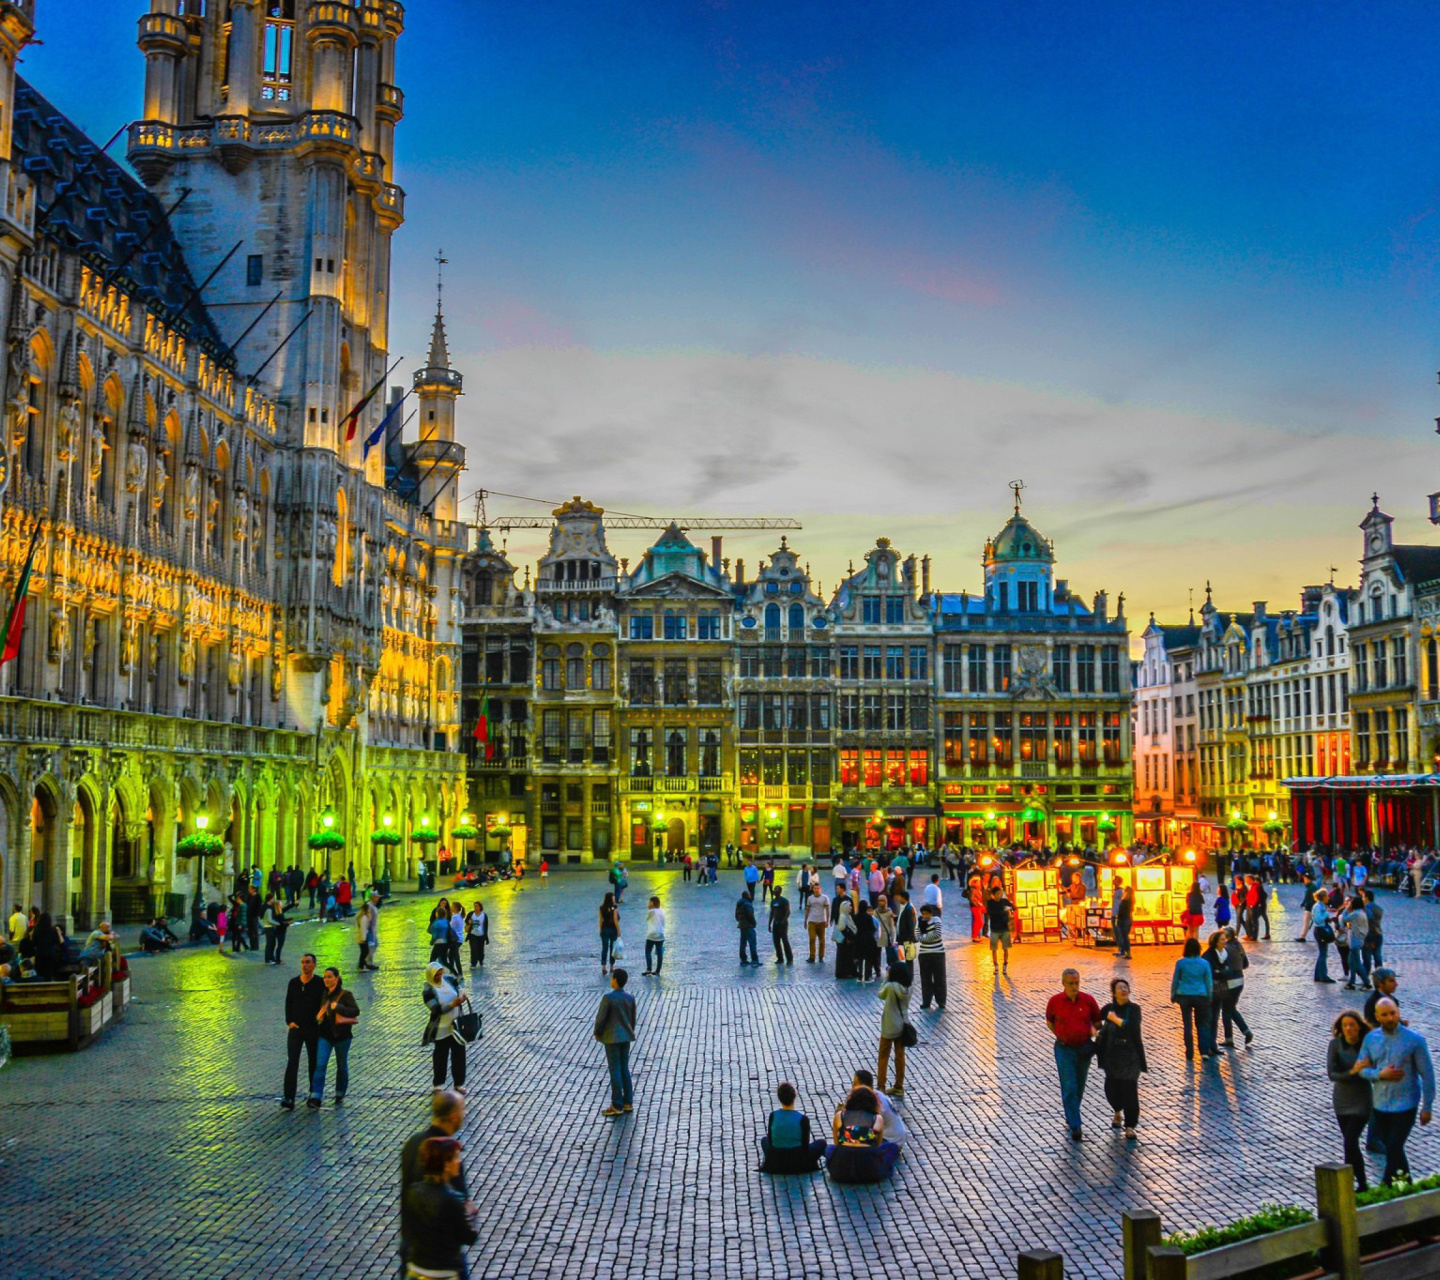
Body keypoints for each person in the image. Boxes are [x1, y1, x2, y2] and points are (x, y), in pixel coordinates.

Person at [1355, 998, 1436, 1185]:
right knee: (1394, 1149)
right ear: (1377, 1017)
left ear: (1398, 1012)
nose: (1390, 1018)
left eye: (1393, 1013)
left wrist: (1427, 1106)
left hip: (1406, 1104)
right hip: (1381, 1104)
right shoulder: (1371, 1039)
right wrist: (1379, 1074)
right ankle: (1406, 1186)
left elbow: (1428, 1075)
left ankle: (1385, 1185)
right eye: (1385, 1015)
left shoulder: (1414, 1040)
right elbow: (1360, 1069)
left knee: (1394, 1145)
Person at [399, 1091, 470, 1277]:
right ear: (453, 1115)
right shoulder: (449, 1155)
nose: (464, 1114)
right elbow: (461, 1211)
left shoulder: (412, 1143)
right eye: (463, 1109)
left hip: (411, 1246)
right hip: (442, 1257)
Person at [402, 1137, 478, 1280]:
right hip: (444, 1273)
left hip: (415, 1270)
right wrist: (471, 1216)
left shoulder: (413, 1192)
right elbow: (469, 1237)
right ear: (445, 1165)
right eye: (455, 1157)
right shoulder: (452, 1200)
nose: (459, 1161)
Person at [1046, 968, 1101, 1141]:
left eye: (1076, 983)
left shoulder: (1088, 1000)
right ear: (1063, 983)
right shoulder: (1055, 1001)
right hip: (1064, 1048)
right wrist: (1063, 1034)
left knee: (1079, 1084)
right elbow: (1050, 1022)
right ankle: (1076, 1125)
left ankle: (1071, 1116)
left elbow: (1097, 1021)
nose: (1074, 986)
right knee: (1069, 1084)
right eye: (1070, 983)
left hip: (1084, 1048)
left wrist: (1092, 1030)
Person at [1097, 978, 1147, 1139]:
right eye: (1120, 988)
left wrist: (1115, 1019)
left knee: (1130, 1090)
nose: (1124, 990)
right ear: (1114, 992)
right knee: (1111, 1088)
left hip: (1131, 1056)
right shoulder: (1108, 1009)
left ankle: (1130, 1126)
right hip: (1112, 1056)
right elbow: (1094, 1022)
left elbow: (1132, 1026)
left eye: (1126, 987)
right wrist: (1094, 1034)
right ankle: (1117, 1110)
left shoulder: (1134, 1009)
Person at [1328, 1010, 1373, 1192]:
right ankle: (1354, 1184)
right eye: (1345, 1025)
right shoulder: (1335, 1045)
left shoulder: (1367, 1046)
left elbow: (1374, 1069)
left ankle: (1361, 1183)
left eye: (1352, 1025)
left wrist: (1368, 1069)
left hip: (1362, 1100)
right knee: (1349, 1143)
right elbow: (1333, 1074)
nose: (1348, 1029)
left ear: (1359, 1027)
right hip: (1342, 1100)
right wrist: (1353, 1072)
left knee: (1350, 1140)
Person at [826, 1083, 901, 1184]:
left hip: (841, 1169)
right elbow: (877, 1146)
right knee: (892, 1147)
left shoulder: (840, 1116)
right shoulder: (877, 1119)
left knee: (829, 1148)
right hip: (869, 1168)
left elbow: (837, 1143)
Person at [307, 966, 359, 1108]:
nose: (326, 980)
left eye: (329, 977)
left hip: (342, 1036)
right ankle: (316, 1096)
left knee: (341, 1066)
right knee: (321, 1064)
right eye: (325, 977)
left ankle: (340, 1093)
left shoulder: (346, 994)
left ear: (336, 978)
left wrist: (339, 1007)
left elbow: (355, 1010)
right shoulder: (324, 994)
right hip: (325, 1035)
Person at [282, 953, 326, 1110]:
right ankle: (289, 1097)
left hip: (313, 1029)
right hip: (296, 1029)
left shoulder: (320, 983)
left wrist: (320, 1020)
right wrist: (290, 1022)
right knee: (292, 1061)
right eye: (302, 962)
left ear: (314, 965)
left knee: (313, 1062)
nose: (304, 965)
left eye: (308, 962)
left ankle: (313, 1095)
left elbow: (325, 1003)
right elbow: (289, 1002)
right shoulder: (294, 983)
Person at [593, 967, 637, 1117]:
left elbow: (601, 1019)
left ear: (615, 981)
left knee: (615, 1070)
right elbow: (632, 1019)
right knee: (624, 1068)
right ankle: (628, 1102)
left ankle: (617, 1104)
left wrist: (597, 1033)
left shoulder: (608, 998)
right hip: (626, 1037)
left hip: (612, 1038)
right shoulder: (630, 997)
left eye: (612, 978)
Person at [758, 1081, 827, 1174]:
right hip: (798, 1159)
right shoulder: (803, 1119)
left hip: (776, 1157)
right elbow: (805, 1145)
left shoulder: (773, 1115)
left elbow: (771, 1141)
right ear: (794, 1096)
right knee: (822, 1143)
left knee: (764, 1140)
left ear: (779, 1098)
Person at [422, 961, 471, 1090]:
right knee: (440, 1056)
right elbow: (436, 1009)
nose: (439, 977)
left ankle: (459, 1083)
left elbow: (459, 982)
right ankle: (438, 1084)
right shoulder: (428, 991)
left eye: (440, 974)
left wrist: (462, 994)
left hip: (456, 1024)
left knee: (459, 1055)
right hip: (441, 1027)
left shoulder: (448, 980)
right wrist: (453, 1004)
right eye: (436, 975)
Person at [1170, 937, 1215, 1060]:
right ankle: (1204, 1051)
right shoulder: (1205, 963)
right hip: (1201, 995)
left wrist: (1173, 994)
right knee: (1202, 1024)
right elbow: (1208, 982)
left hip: (1184, 995)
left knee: (1187, 1025)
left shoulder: (1181, 963)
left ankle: (1189, 1052)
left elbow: (1175, 980)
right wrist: (1209, 996)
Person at [876, 963, 912, 1099]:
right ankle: (899, 1086)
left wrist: (886, 979)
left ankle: (881, 1085)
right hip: (903, 1024)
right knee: (900, 1056)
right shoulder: (908, 988)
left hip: (889, 1025)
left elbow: (880, 994)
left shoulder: (890, 987)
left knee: (884, 1055)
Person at [1218, 927, 1253, 1047]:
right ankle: (1245, 1031)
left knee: (1227, 1010)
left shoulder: (1225, 949)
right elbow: (1245, 964)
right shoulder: (1238, 946)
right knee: (1230, 1008)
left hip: (1230, 981)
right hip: (1240, 980)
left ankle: (1230, 1038)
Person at [917, 904, 946, 1011]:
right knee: (925, 979)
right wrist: (927, 937)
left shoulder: (936, 920)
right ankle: (926, 1001)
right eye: (923, 914)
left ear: (931, 913)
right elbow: (917, 937)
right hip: (924, 954)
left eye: (926, 913)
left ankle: (941, 1001)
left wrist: (924, 937)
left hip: (938, 953)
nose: (925, 916)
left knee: (940, 978)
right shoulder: (920, 921)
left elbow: (937, 934)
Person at [1342, 894, 1373, 991]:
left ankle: (1367, 983)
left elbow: (1344, 918)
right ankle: (1351, 982)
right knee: (1351, 962)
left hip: (1355, 941)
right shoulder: (1362, 913)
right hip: (1358, 940)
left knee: (1357, 963)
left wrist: (1346, 908)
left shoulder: (1356, 914)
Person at [986, 884, 1014, 974]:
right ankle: (996, 965)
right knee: (994, 949)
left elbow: (1014, 907)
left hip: (1005, 928)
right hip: (995, 929)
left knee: (1006, 948)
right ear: (994, 895)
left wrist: (1009, 908)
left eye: (1000, 893)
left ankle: (1005, 965)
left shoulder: (1004, 901)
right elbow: (991, 913)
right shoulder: (990, 903)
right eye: (998, 893)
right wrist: (1003, 910)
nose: (999, 895)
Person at [1313, 893, 1337, 983]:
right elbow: (1318, 920)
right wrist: (1326, 914)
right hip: (1320, 931)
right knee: (1323, 953)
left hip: (1321, 930)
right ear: (1323, 897)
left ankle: (1319, 975)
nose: (1328, 898)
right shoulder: (1317, 907)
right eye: (1327, 896)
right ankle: (1323, 975)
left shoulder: (1321, 906)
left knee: (1322, 953)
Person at [854, 900, 880, 982]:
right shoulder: (868, 917)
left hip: (858, 939)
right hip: (868, 940)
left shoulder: (856, 916)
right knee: (868, 958)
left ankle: (860, 976)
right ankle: (867, 976)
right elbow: (873, 928)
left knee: (860, 958)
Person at [834, 896, 858, 979]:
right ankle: (843, 972)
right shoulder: (843, 916)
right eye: (849, 906)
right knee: (844, 957)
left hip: (847, 941)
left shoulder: (847, 916)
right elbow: (842, 928)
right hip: (845, 941)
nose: (851, 907)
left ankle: (848, 971)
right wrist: (849, 936)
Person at [768, 886, 793, 966]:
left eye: (776, 890)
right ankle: (780, 958)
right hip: (776, 923)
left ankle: (789, 959)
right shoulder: (773, 901)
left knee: (785, 941)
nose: (774, 892)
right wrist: (769, 923)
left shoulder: (784, 901)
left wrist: (783, 920)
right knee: (776, 941)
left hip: (783, 923)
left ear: (779, 891)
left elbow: (788, 911)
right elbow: (772, 913)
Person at [735, 889, 760, 967]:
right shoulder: (747, 904)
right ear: (746, 896)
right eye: (749, 894)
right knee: (752, 943)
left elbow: (736, 916)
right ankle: (754, 960)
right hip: (748, 926)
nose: (750, 895)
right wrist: (754, 923)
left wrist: (740, 920)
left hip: (742, 925)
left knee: (743, 943)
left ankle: (743, 959)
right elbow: (750, 915)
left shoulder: (739, 904)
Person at [598, 892, 621, 975]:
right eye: (613, 897)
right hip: (613, 930)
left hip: (604, 929)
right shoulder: (614, 907)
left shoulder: (601, 908)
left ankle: (603, 967)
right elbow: (615, 920)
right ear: (611, 898)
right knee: (612, 948)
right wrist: (619, 930)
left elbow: (601, 920)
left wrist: (600, 930)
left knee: (604, 948)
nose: (614, 898)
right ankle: (612, 966)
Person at [643, 896, 666, 976]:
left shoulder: (651, 911)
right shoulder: (662, 911)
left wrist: (649, 908)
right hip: (660, 934)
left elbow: (647, 919)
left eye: (649, 902)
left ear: (652, 903)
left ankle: (649, 968)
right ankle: (658, 970)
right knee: (659, 952)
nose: (648, 904)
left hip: (651, 934)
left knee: (648, 951)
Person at [355, 897, 379, 972]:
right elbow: (363, 929)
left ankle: (363, 965)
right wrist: (364, 938)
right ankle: (362, 966)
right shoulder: (364, 918)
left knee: (364, 952)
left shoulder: (361, 917)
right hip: (362, 938)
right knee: (364, 952)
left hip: (361, 937)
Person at [1114, 884, 1135, 959]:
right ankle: (1124, 951)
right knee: (1124, 936)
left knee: (1124, 936)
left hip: (1123, 920)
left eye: (1124, 891)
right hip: (1127, 919)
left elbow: (1121, 912)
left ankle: (1127, 952)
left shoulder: (1125, 901)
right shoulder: (1130, 901)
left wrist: (1117, 917)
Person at [466, 901, 488, 970]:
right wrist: (469, 922)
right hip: (473, 935)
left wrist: (486, 937)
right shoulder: (471, 914)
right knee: (473, 949)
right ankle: (473, 963)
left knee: (481, 949)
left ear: (480, 907)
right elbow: (466, 921)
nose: (475, 907)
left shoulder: (484, 915)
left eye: (477, 906)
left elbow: (486, 926)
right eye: (474, 906)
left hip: (481, 935)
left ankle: (481, 961)